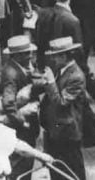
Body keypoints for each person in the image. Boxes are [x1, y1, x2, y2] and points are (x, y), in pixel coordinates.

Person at [39, 36, 88, 180]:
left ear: (64, 56)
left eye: (55, 57)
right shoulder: (62, 70)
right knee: (57, 170)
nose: (52, 60)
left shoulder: (76, 77)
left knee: (73, 172)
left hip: (68, 133)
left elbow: (60, 102)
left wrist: (51, 82)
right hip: (56, 131)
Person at [1, 35, 45, 180]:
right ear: (17, 55)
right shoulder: (11, 74)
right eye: (27, 53)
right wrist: (22, 120)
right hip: (21, 130)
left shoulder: (16, 67)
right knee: (21, 168)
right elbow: (9, 104)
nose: (30, 55)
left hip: (24, 129)